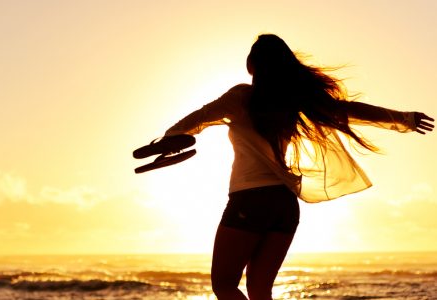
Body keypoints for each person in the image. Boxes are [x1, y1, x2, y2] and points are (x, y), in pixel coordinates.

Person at [163, 34, 434, 300]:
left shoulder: (240, 97)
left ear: (251, 65)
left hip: (250, 200)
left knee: (223, 285)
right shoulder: (293, 102)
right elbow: (350, 110)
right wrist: (405, 119)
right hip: (285, 205)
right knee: (259, 291)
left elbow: (198, 118)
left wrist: (170, 137)